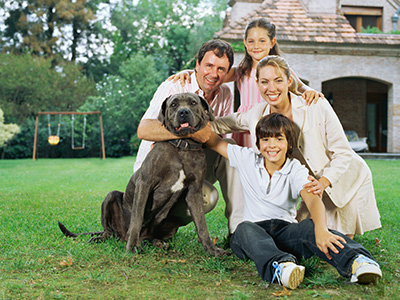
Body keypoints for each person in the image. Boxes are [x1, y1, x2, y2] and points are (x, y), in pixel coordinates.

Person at [211, 55, 381, 238]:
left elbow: (343, 152)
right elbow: (221, 125)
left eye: (278, 80)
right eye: (264, 82)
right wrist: (188, 125)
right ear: (258, 84)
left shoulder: (315, 105)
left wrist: (323, 182)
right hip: (309, 187)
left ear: (289, 80)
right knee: (301, 238)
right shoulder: (256, 114)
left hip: (341, 178)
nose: (271, 88)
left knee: (338, 241)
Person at [205, 113, 382, 289]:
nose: (271, 145)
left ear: (289, 143)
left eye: (278, 139)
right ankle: (281, 267)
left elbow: (312, 199)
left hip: (284, 231)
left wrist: (320, 229)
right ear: (258, 143)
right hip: (252, 233)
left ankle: (358, 262)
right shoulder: (247, 159)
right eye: (265, 139)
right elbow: (212, 140)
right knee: (243, 228)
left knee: (308, 227)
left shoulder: (295, 168)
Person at [135, 39, 244, 234]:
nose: (213, 74)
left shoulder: (226, 94)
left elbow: (215, 137)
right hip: (156, 178)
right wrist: (191, 130)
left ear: (227, 72)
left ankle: (237, 230)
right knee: (206, 193)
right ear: (197, 65)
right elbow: (143, 129)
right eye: (208, 66)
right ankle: (158, 225)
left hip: (190, 165)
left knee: (228, 147)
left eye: (221, 69)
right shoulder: (174, 86)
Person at [169, 18, 323, 147]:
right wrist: (188, 72)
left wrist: (309, 91)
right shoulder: (242, 70)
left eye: (262, 41)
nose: (256, 46)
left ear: (272, 42)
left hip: (269, 121)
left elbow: (300, 86)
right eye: (251, 41)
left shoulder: (280, 68)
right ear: (245, 43)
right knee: (245, 165)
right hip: (243, 126)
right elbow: (215, 73)